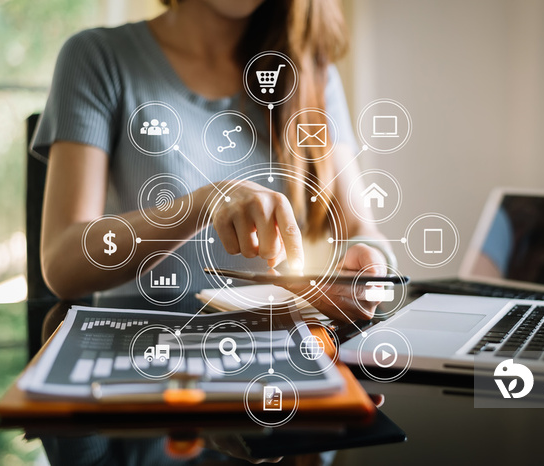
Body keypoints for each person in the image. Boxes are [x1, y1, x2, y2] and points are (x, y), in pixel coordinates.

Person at [32, 0, 395, 321]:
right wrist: (204, 204)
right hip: (140, 352)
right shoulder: (97, 57)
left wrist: (370, 267)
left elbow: (362, 231)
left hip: (271, 359)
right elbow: (62, 264)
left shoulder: (310, 74)